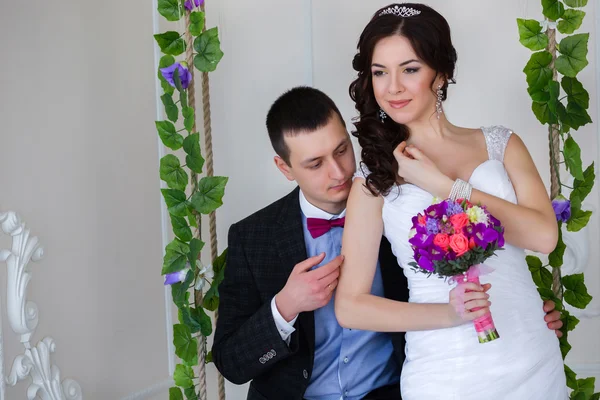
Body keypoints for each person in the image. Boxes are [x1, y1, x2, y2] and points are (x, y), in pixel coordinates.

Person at [212, 87, 563, 400]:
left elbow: (464, 270)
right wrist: (284, 307)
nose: (337, 172)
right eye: (315, 164)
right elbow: (231, 363)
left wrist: (525, 308)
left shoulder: (397, 213)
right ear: (284, 167)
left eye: (341, 150)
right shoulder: (252, 237)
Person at [335, 4, 567, 400]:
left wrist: (445, 186)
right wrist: (449, 314)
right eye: (379, 72)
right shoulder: (372, 177)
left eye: (409, 69)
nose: (392, 87)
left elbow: (544, 237)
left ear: (440, 73)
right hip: (445, 370)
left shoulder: (500, 143)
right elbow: (351, 306)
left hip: (530, 353)